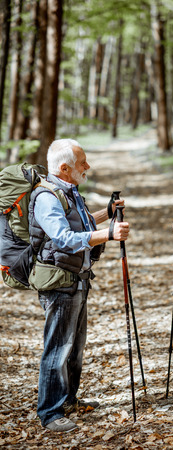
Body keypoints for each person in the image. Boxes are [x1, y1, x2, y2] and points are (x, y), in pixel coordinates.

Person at [29, 139, 129, 432]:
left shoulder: (68, 192)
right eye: (82, 162)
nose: (87, 167)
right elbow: (63, 238)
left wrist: (106, 214)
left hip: (77, 280)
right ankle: (50, 413)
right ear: (64, 168)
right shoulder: (47, 197)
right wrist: (108, 235)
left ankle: (68, 400)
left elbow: (80, 225)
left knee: (75, 347)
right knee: (58, 348)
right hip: (60, 282)